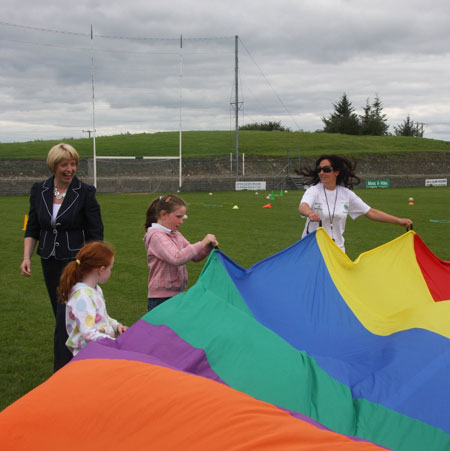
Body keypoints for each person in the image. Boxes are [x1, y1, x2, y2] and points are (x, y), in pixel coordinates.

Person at [20, 143, 104, 371]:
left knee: (63, 317)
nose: (70, 169)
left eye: (73, 163)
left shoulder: (85, 192)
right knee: (66, 317)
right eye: (64, 164)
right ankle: (83, 360)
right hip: (49, 261)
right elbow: (33, 227)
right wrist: (26, 257)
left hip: (75, 264)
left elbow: (96, 232)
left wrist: (90, 265)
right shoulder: (40, 190)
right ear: (53, 166)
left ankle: (61, 371)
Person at [297, 154, 413, 252]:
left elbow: (371, 212)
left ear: (336, 172)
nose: (322, 173)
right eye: (319, 170)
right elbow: (303, 207)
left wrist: (399, 221)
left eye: (326, 169)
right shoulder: (313, 191)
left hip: (337, 251)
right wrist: (310, 213)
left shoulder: (346, 194)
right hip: (313, 250)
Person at [144, 194, 219, 311]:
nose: (181, 221)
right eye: (178, 217)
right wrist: (202, 242)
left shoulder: (175, 234)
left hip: (178, 295)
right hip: (161, 299)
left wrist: (208, 247)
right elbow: (177, 258)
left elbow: (195, 256)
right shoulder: (156, 236)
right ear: (163, 214)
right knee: (162, 330)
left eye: (183, 217)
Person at [57, 241, 127, 356]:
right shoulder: (82, 297)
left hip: (100, 349)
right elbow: (88, 334)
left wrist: (116, 326)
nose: (111, 272)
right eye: (110, 268)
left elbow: (102, 317)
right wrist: (115, 342)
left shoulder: (95, 289)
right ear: (101, 269)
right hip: (88, 354)